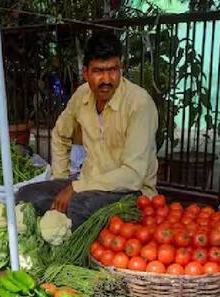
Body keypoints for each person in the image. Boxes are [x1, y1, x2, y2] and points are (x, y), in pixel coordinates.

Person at [17, 30, 159, 227]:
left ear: (121, 67)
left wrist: (76, 187)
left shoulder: (140, 104)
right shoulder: (82, 95)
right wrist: (61, 180)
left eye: (113, 70)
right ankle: (48, 239)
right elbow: (60, 134)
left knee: (77, 207)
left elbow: (133, 176)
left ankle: (68, 254)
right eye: (98, 71)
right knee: (26, 195)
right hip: (87, 185)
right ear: (85, 73)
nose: (107, 79)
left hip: (130, 192)